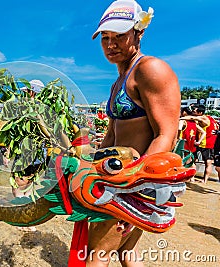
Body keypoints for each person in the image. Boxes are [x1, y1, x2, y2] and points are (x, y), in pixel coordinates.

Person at [88, 0, 181, 265]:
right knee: (126, 252)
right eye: (105, 38)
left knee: (97, 255)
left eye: (119, 36)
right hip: (116, 178)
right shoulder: (120, 80)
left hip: (134, 183)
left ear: (138, 33)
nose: (111, 44)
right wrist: (90, 167)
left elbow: (166, 134)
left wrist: (135, 186)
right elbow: (111, 134)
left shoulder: (150, 69)